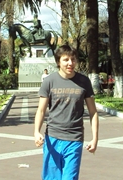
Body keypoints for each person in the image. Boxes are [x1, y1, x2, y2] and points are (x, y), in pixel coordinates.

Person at [34, 44, 98, 180]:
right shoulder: (49, 81)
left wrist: (95, 138)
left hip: (74, 139)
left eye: (73, 59)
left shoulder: (84, 81)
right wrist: (36, 132)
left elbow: (93, 112)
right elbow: (41, 110)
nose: (70, 63)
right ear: (58, 62)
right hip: (53, 138)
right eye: (66, 60)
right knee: (51, 178)